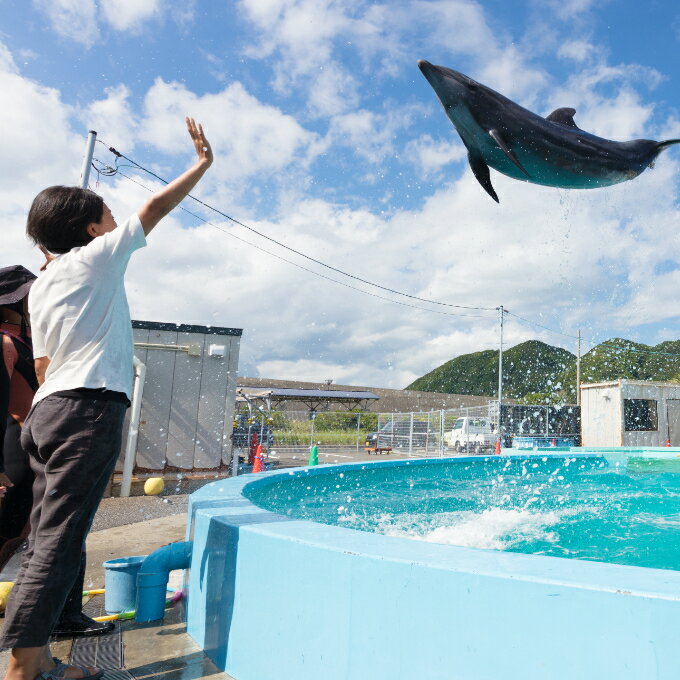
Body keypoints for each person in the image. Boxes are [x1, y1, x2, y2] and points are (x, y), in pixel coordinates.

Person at [0, 117, 213, 680]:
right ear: (91, 230)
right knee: (58, 538)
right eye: (107, 215)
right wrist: (201, 165)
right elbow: (155, 209)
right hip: (86, 409)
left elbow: (43, 366)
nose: (116, 220)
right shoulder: (95, 259)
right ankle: (23, 663)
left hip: (49, 413)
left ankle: (49, 644)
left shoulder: (41, 285)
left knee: (54, 532)